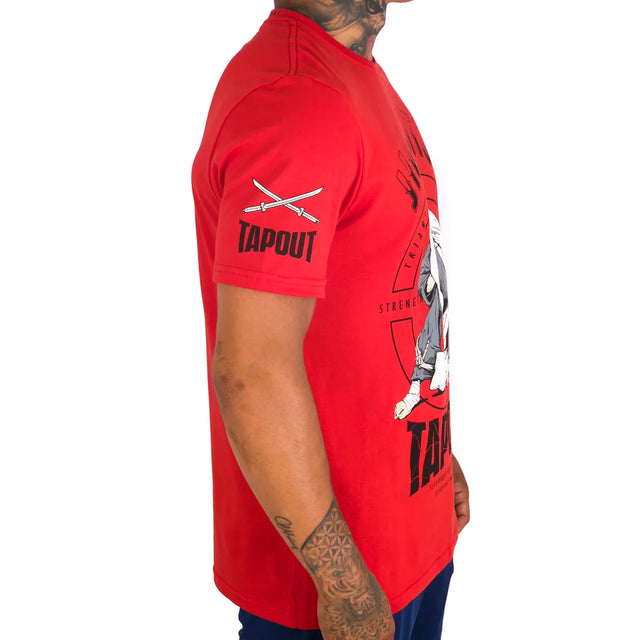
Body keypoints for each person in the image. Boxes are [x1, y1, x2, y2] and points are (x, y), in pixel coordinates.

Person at [191, 2, 470, 638]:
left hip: (407, 551)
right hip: (339, 592)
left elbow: (385, 293)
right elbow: (252, 372)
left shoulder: (353, 74)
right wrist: (343, 586)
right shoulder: (296, 100)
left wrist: (431, 454)